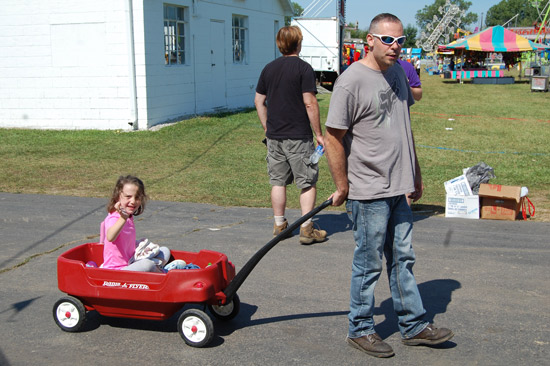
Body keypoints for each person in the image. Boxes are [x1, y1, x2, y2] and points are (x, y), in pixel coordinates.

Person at [323, 13, 453, 358]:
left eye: (400, 41)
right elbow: (332, 137)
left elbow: (401, 127)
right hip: (368, 190)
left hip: (399, 186)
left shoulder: (398, 73)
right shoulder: (351, 81)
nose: (396, 47)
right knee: (368, 263)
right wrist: (342, 185)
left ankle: (413, 326)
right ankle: (360, 328)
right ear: (369, 40)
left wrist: (415, 171)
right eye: (388, 40)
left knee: (403, 259)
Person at [254, 25, 326, 244]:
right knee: (307, 181)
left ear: (279, 44)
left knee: (278, 181)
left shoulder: (269, 68)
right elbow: (310, 102)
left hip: (274, 137)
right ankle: (306, 228)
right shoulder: (303, 69)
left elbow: (259, 101)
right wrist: (319, 134)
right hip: (298, 136)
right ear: (299, 43)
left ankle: (279, 224)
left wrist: (267, 127)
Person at [101, 175, 171, 272]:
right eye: (128, 197)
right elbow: (110, 237)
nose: (133, 201)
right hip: (117, 270)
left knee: (164, 250)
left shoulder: (129, 217)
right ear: (118, 197)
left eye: (137, 197)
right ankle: (162, 273)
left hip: (131, 262)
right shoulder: (115, 218)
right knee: (147, 264)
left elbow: (125, 242)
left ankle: (156, 268)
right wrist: (123, 218)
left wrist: (139, 246)